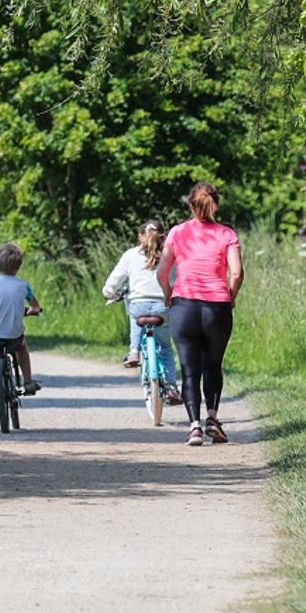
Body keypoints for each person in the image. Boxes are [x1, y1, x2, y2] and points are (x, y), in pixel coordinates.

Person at [157, 183, 244, 446]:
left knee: (189, 368)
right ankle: (212, 419)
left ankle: (194, 427)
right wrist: (230, 297)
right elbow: (237, 273)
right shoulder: (227, 234)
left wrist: (168, 294)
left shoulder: (177, 232)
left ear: (191, 205)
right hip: (216, 307)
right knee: (213, 365)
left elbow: (162, 271)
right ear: (216, 204)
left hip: (184, 306)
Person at [102, 220, 181, 405]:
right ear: (163, 236)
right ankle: (171, 387)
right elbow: (177, 280)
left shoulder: (130, 255)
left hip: (139, 307)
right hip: (162, 307)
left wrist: (109, 293)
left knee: (135, 310)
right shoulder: (171, 255)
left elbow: (112, 283)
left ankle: (134, 351)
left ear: (140, 236)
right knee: (165, 346)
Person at [0, 242, 42, 403]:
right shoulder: (23, 286)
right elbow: (35, 306)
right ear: (18, 266)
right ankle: (28, 382)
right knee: (22, 347)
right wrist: (32, 311)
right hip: (13, 337)